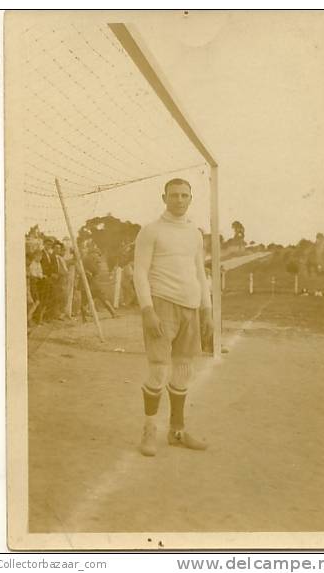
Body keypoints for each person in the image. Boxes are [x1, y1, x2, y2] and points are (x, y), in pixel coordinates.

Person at [133, 178, 213, 457]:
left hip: (190, 307)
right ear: (163, 197)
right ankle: (149, 429)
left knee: (183, 371)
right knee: (158, 370)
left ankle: (177, 431)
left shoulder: (194, 233)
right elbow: (140, 272)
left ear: (191, 198)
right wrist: (147, 309)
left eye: (184, 195)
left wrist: (207, 309)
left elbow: (200, 274)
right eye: (174, 195)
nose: (179, 199)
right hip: (162, 305)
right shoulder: (151, 231)